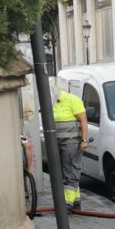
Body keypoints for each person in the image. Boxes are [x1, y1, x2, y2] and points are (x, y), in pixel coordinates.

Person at [51, 77, 88, 213]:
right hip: (58, 143)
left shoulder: (73, 100)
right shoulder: (54, 102)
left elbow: (83, 121)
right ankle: (76, 201)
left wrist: (84, 141)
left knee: (70, 173)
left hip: (71, 142)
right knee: (66, 172)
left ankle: (67, 204)